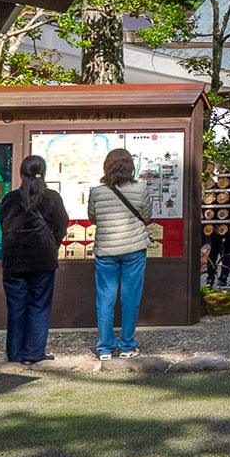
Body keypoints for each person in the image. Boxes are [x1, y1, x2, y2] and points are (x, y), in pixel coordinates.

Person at [0, 155, 64, 364]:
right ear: (43, 173)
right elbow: (62, 224)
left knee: (16, 308)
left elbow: (4, 225)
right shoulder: (52, 198)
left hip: (14, 261)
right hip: (42, 259)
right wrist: (53, 245)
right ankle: (34, 352)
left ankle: (15, 354)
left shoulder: (10, 199)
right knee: (39, 306)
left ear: (21, 173)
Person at [87, 148, 151, 361]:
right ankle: (127, 346)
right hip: (133, 249)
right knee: (130, 296)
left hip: (106, 250)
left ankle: (105, 348)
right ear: (130, 167)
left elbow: (93, 218)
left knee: (105, 297)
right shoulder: (140, 188)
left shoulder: (97, 192)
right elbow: (147, 215)